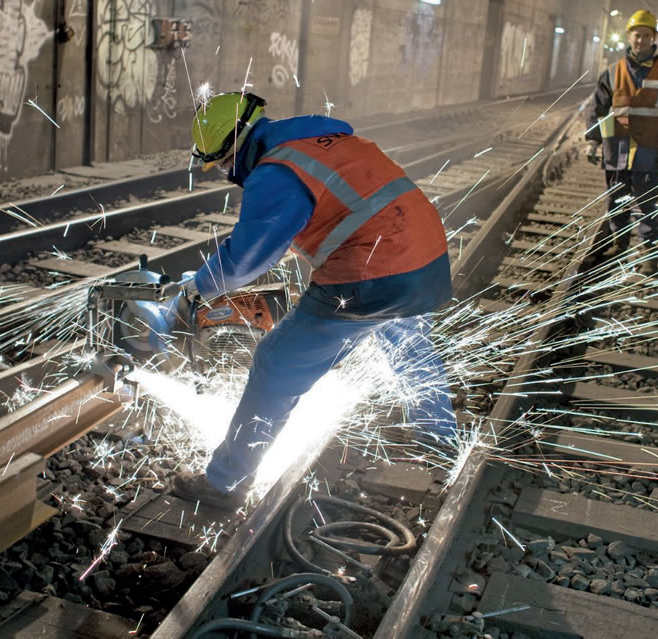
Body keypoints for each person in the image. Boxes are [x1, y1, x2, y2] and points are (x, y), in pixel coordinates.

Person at [169, 92, 457, 508]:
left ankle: (225, 483)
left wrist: (196, 289)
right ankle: (439, 436)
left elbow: (245, 259)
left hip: (372, 275)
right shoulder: (324, 142)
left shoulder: (277, 171)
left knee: (275, 364)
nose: (228, 173)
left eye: (225, 165)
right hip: (425, 260)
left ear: (237, 147)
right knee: (406, 339)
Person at [585, 8, 658, 275]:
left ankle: (650, 256)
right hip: (616, 150)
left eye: (645, 35)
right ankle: (621, 247)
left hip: (647, 151)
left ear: (654, 38)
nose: (640, 40)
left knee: (647, 204)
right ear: (628, 37)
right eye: (636, 35)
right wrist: (592, 141)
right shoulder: (613, 71)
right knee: (617, 202)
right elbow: (598, 109)